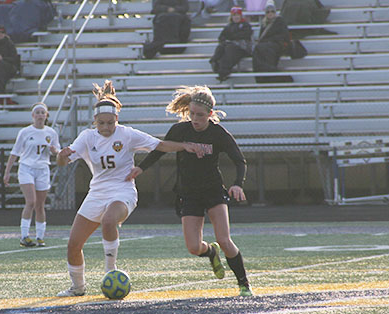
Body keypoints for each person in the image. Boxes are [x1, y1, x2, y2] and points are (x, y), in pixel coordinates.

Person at [55, 80, 207, 297]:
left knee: (109, 220)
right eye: (102, 123)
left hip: (123, 191)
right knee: (73, 245)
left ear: (117, 119)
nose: (106, 128)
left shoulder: (127, 134)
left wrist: (185, 146)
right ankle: (77, 287)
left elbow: (160, 145)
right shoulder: (87, 137)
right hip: (97, 192)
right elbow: (64, 161)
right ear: (94, 122)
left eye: (110, 123)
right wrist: (61, 157)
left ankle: (110, 271)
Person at [126, 85, 253, 297]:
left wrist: (238, 183)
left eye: (200, 115)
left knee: (224, 239)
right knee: (194, 248)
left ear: (210, 114)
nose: (195, 118)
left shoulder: (218, 134)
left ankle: (243, 284)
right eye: (192, 113)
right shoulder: (180, 131)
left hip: (213, 191)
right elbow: (160, 149)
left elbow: (240, 161)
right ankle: (211, 252)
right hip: (188, 193)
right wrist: (140, 168)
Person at [3, 103, 60, 247]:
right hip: (26, 168)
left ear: (46, 115)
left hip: (43, 169)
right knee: (31, 201)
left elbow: (57, 151)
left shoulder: (51, 132)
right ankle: (24, 236)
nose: (40, 115)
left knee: (40, 205)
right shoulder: (25, 132)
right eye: (38, 112)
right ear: (33, 115)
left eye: (43, 112)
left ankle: (40, 237)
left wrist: (55, 151)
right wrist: (7, 172)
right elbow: (15, 152)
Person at [252, 0, 292, 83]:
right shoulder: (264, 24)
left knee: (264, 49)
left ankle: (269, 73)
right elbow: (261, 38)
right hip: (266, 45)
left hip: (277, 44)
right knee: (258, 49)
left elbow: (284, 36)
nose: (270, 13)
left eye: (272, 11)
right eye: (268, 12)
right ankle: (262, 75)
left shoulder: (280, 21)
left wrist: (270, 40)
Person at [209, 6, 252, 82]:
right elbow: (221, 37)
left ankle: (224, 71)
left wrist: (231, 39)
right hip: (230, 46)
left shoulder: (245, 25)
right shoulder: (228, 26)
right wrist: (226, 41)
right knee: (221, 47)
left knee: (230, 49)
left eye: (238, 15)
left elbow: (245, 35)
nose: (236, 17)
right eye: (234, 15)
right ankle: (215, 64)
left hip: (242, 48)